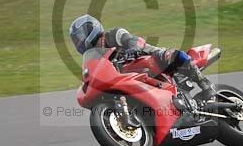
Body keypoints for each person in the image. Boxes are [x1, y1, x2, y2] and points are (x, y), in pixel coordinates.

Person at [68, 14, 215, 101]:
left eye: (79, 37)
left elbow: (132, 39)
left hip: (150, 58)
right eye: (76, 40)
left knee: (173, 55)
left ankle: (205, 85)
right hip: (130, 76)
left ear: (91, 29)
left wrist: (132, 49)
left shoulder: (111, 35)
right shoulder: (94, 56)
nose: (79, 42)